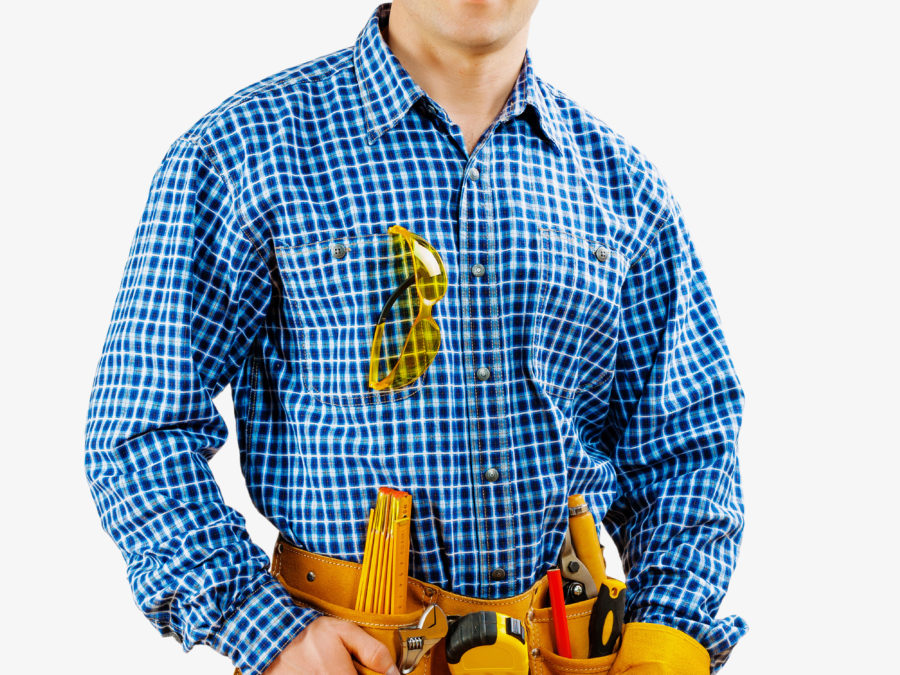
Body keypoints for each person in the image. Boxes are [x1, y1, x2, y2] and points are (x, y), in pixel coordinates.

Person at [84, 1, 747, 674]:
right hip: (356, 656)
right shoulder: (243, 152)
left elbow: (686, 451)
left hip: (573, 652)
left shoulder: (626, 190)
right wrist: (266, 629)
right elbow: (140, 428)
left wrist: (664, 642)